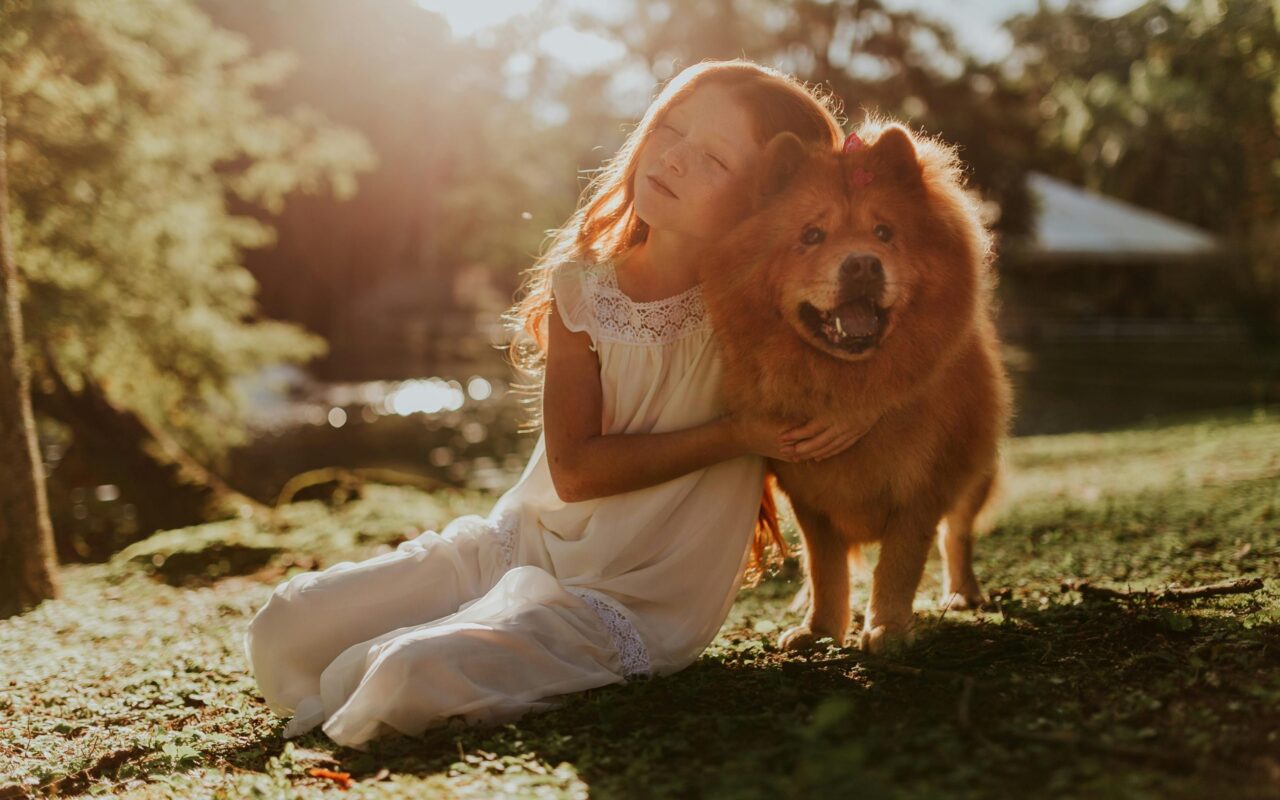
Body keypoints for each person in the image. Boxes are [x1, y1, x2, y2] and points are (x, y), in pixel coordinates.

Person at [242, 58, 865, 751]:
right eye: (671, 128)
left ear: (767, 200)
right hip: (523, 543)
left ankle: (435, 655)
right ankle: (433, 634)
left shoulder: (768, 312)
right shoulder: (583, 289)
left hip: (634, 597)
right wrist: (738, 435)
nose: (676, 159)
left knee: (405, 675)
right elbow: (575, 473)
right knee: (286, 628)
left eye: (714, 159)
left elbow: (880, 369)